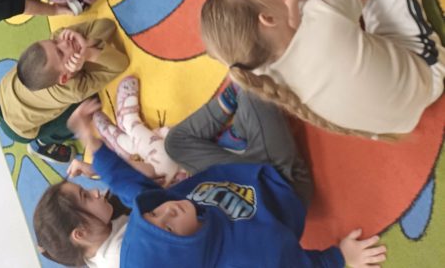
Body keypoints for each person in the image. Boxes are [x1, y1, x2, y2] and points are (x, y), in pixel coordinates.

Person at [33, 99, 384, 268]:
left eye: (153, 216)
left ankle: (242, 127)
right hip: (282, 185)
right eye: (167, 226)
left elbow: (133, 188)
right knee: (251, 80)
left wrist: (92, 143)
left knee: (176, 145)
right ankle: (246, 122)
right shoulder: (249, 258)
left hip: (230, 178)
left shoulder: (149, 230)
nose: (167, 209)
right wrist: (341, 257)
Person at [200, 0, 445, 138]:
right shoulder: (322, 16)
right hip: (426, 77)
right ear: (268, 19)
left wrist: (294, 8)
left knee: (316, 3)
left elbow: (299, 40)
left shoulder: (263, 76)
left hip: (395, 124)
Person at [0, 19, 129, 165]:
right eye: (60, 52)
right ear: (64, 78)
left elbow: (107, 25)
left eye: (54, 42)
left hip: (4, 91)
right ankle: (41, 144)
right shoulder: (73, 90)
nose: (64, 43)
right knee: (91, 104)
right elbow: (121, 63)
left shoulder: (60, 39)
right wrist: (90, 53)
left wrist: (87, 42)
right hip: (18, 129)